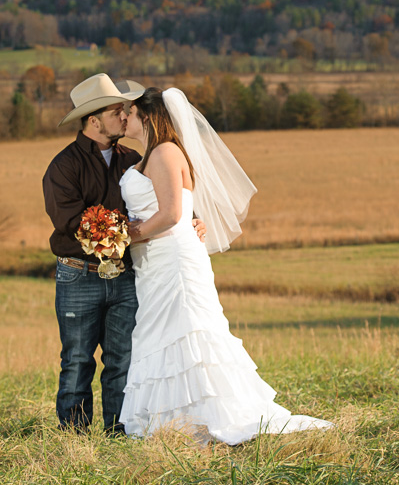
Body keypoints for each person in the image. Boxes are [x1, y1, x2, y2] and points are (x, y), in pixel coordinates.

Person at [118, 86, 332, 444]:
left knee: (190, 330)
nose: (124, 117)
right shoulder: (151, 155)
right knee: (164, 333)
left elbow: (171, 214)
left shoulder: (166, 153)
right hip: (155, 263)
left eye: (129, 112)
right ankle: (177, 420)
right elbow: (179, 208)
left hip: (172, 259)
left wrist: (128, 236)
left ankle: (209, 415)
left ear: (147, 116)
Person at [43, 73, 143, 434]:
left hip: (126, 276)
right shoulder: (63, 166)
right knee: (78, 359)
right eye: (117, 110)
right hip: (78, 273)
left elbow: (157, 200)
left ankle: (119, 431)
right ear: (93, 120)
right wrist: (122, 230)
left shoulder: (133, 159)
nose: (125, 115)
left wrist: (189, 221)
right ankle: (74, 437)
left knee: (122, 360)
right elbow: (70, 220)